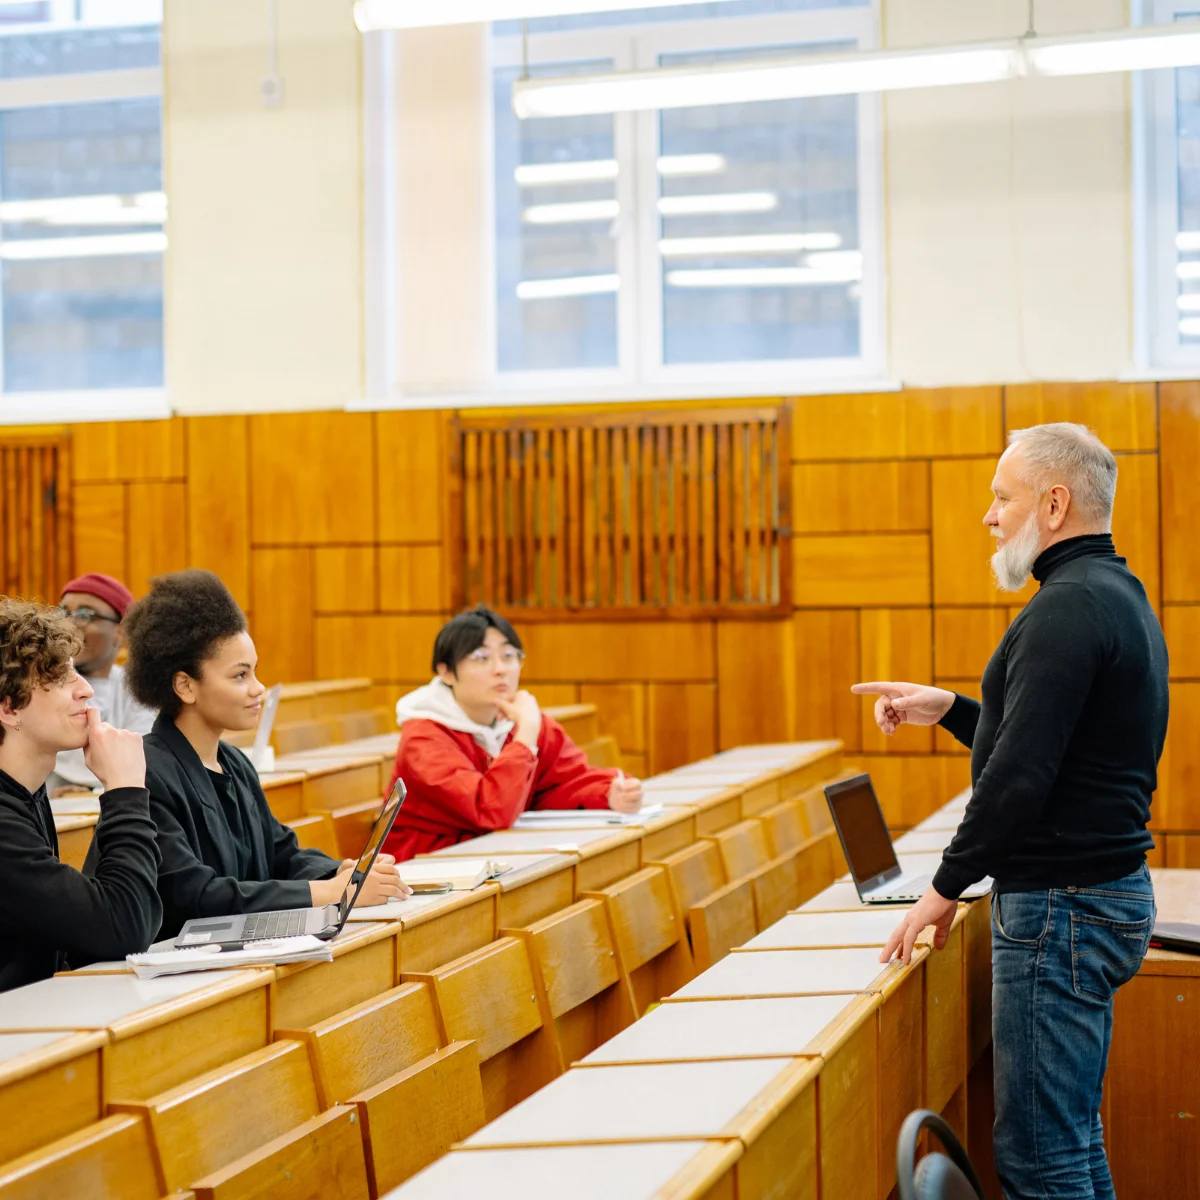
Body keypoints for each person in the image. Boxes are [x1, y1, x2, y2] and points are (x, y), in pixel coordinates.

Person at [853, 423, 1168, 1200]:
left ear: (1054, 503)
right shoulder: (1110, 592)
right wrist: (956, 708)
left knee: (1040, 1158)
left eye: (1002, 496)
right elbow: (1060, 741)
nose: (989, 516)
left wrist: (943, 888)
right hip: (1100, 896)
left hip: (1062, 908)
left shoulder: (1065, 609)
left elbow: (1019, 777)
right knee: (1072, 1140)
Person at [99, 569, 409, 939]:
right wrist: (327, 892)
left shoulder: (234, 763)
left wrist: (340, 873)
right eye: (240, 676)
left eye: (254, 672)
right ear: (185, 685)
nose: (258, 689)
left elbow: (282, 853)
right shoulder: (145, 772)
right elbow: (194, 895)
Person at [383, 605, 644, 860]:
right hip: (427, 870)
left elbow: (559, 784)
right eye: (481, 658)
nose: (501, 669)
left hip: (488, 856)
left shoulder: (519, 721)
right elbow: (491, 810)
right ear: (447, 672)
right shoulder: (424, 738)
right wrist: (525, 736)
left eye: (509, 656)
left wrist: (608, 793)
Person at [0, 598, 161, 991]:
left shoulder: (27, 794)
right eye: (59, 678)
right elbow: (125, 927)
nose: (86, 690)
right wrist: (124, 791)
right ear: (9, 707)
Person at [46, 572, 155, 797]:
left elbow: (143, 753)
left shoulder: (138, 688)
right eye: (64, 613)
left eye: (86, 614)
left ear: (121, 632)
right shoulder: (38, 685)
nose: (69, 624)